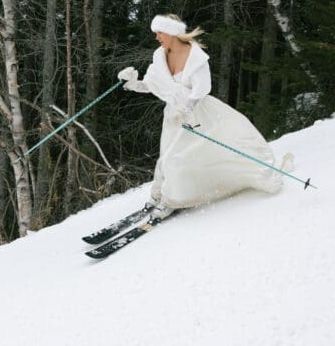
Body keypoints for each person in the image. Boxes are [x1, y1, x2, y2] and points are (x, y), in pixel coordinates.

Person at [117, 14, 291, 218]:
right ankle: (159, 195)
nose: (157, 38)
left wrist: (188, 111)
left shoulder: (196, 57)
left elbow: (202, 89)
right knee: (166, 157)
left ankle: (171, 200)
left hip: (198, 115)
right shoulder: (159, 55)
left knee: (175, 158)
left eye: (159, 33)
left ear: (172, 32)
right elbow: (155, 85)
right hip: (174, 115)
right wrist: (131, 83)